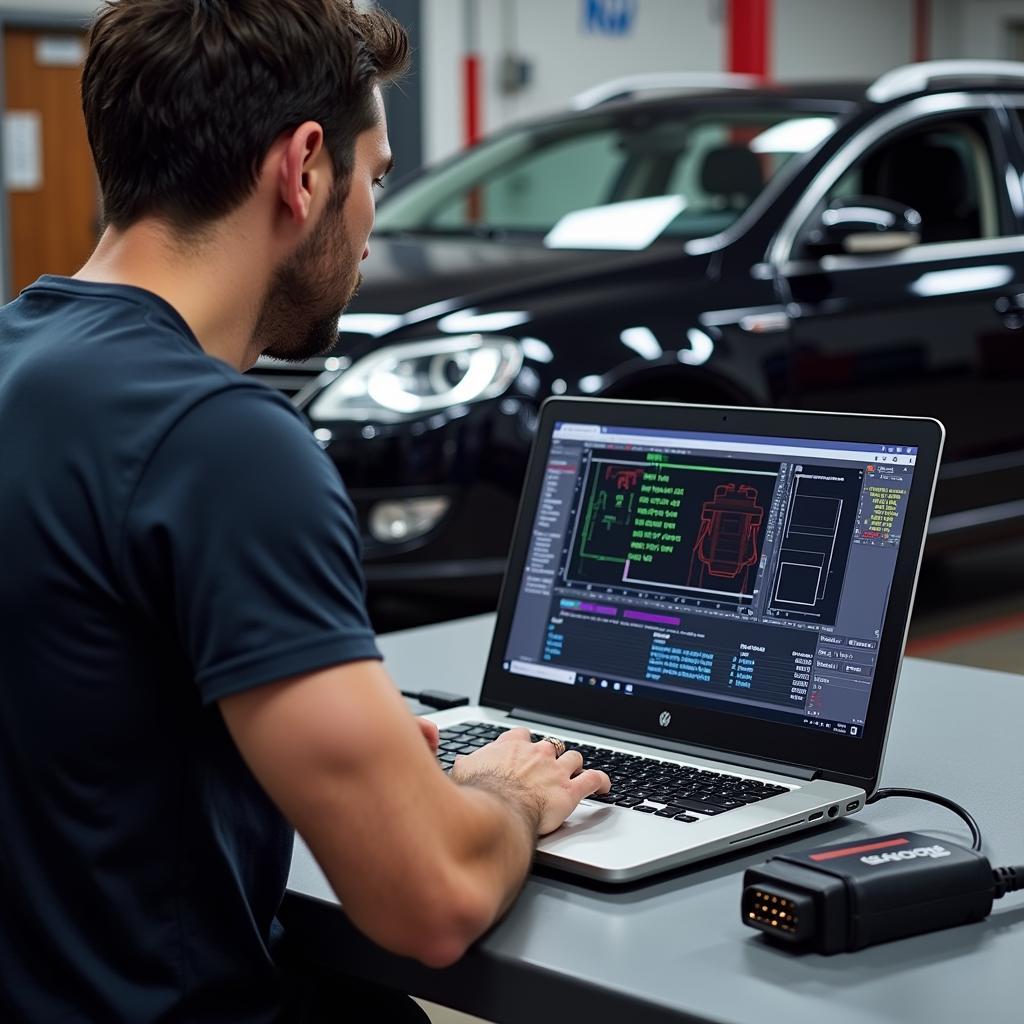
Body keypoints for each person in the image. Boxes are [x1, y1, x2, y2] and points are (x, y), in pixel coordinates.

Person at [0, 2, 611, 1021]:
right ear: (304, 168)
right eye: (374, 179)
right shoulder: (220, 442)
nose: (371, 223)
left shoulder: (23, 363)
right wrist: (505, 792)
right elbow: (433, 898)